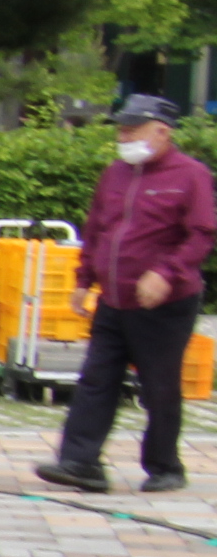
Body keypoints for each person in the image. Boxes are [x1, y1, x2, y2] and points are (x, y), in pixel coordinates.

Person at [36, 94, 213, 497]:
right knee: (96, 379)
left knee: (159, 386)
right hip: (113, 299)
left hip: (165, 304)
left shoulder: (191, 175)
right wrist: (84, 279)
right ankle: (81, 462)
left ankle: (165, 466)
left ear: (162, 132)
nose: (124, 137)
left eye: (132, 130)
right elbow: (97, 229)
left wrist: (166, 273)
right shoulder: (115, 174)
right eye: (121, 130)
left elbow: (201, 234)